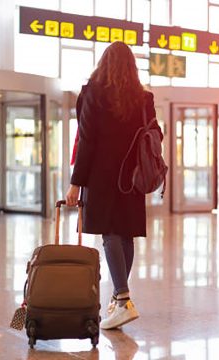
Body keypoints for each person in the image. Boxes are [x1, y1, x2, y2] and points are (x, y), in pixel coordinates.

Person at [65, 41, 163, 330]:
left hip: (101, 176)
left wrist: (75, 184)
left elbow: (87, 142)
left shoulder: (92, 93)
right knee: (125, 235)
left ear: (103, 63)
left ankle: (122, 299)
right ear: (132, 68)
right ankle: (119, 300)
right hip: (132, 176)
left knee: (110, 234)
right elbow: (155, 134)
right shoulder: (143, 98)